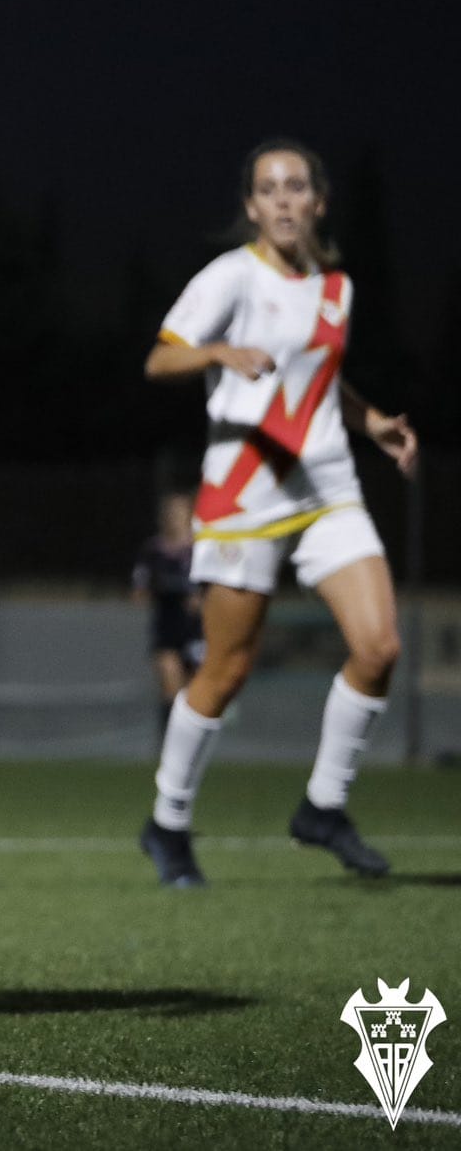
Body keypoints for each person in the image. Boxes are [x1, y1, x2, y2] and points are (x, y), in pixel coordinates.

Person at [137, 140, 415, 888]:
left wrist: (374, 421)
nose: (285, 199)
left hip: (326, 488)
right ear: (253, 207)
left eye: (297, 186)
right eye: (270, 189)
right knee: (225, 672)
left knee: (380, 646)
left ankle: (323, 807)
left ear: (317, 202)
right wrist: (220, 353)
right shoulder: (232, 276)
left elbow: (318, 382)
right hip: (243, 492)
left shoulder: (335, 288)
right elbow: (160, 359)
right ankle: (167, 820)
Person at [132, 489, 205, 730]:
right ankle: (167, 747)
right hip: (167, 627)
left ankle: (192, 748)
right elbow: (139, 590)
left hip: (196, 630)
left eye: (179, 511)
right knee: (171, 691)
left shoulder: (202, 548)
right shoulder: (153, 550)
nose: (174, 516)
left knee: (197, 696)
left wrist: (199, 598)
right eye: (170, 512)